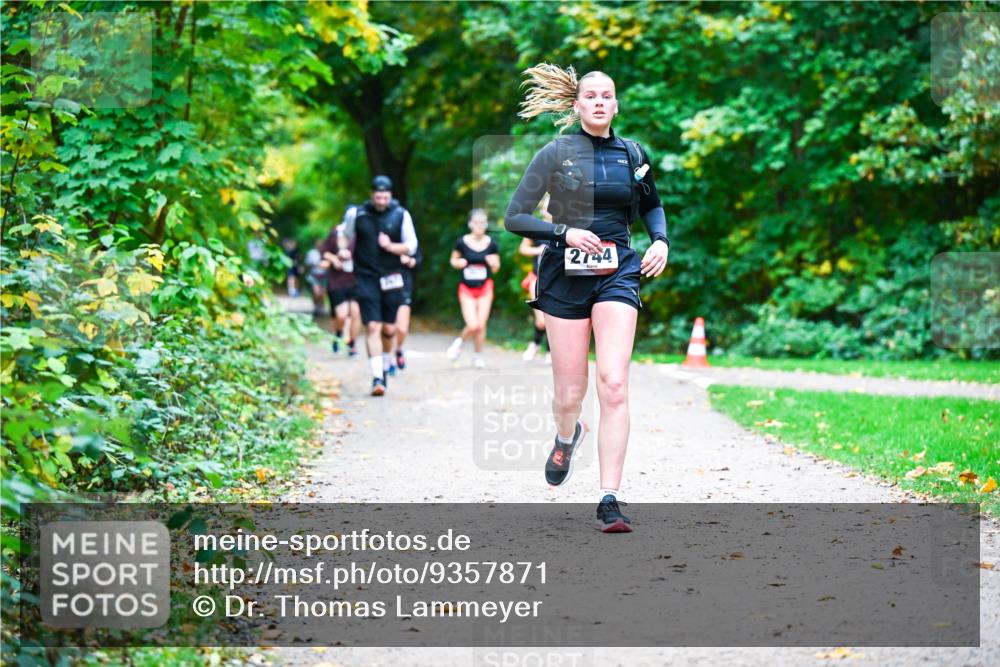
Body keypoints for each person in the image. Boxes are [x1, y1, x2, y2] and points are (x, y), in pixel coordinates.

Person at [504, 63, 670, 533]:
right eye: (590, 95)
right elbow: (515, 217)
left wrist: (659, 241)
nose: (599, 102)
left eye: (607, 95)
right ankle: (565, 434)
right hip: (564, 273)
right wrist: (565, 231)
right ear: (576, 106)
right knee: (570, 391)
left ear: (616, 105)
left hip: (617, 269)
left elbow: (652, 204)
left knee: (613, 383)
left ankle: (609, 497)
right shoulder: (555, 153)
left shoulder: (632, 153)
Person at [341, 176, 419, 396]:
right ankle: (377, 377)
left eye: (385, 196)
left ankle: (385, 366)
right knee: (373, 326)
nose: (382, 200)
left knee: (389, 329)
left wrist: (390, 246)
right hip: (366, 276)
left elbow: (411, 247)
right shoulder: (357, 214)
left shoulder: (401, 215)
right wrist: (344, 250)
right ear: (371, 194)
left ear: (391, 195)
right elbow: (344, 236)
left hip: (392, 276)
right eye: (378, 196)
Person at [446, 209, 501, 369]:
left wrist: (493, 263)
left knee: (481, 324)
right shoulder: (461, 242)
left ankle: (478, 356)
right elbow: (453, 260)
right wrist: (459, 263)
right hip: (467, 288)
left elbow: (497, 267)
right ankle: (459, 343)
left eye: (483, 223)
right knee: (472, 325)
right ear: (470, 224)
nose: (480, 226)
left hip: (485, 287)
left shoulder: (491, 243)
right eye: (477, 222)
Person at [519, 194, 552, 364]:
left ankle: (549, 350)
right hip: (536, 277)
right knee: (541, 319)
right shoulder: (535, 227)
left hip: (556, 280)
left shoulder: (566, 228)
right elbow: (523, 249)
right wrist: (539, 251)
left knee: (553, 316)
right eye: (545, 207)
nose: (547, 210)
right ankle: (535, 344)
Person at [322, 223, 361, 356]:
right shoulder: (335, 234)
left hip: (356, 281)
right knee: (342, 315)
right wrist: (334, 258)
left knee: (355, 313)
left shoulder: (361, 235)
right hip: (337, 282)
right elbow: (324, 253)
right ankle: (338, 334)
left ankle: (352, 344)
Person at [389, 243, 421, 374]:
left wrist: (410, 261)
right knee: (389, 327)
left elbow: (418, 260)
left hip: (404, 288)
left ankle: (398, 350)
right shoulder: (381, 239)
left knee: (402, 328)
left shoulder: (409, 239)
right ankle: (388, 359)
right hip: (385, 286)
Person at [304, 239, 327, 318]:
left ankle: (321, 307)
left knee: (322, 294)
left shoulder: (326, 252)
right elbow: (307, 264)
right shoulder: (311, 253)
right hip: (314, 276)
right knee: (316, 292)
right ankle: (316, 307)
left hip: (324, 276)